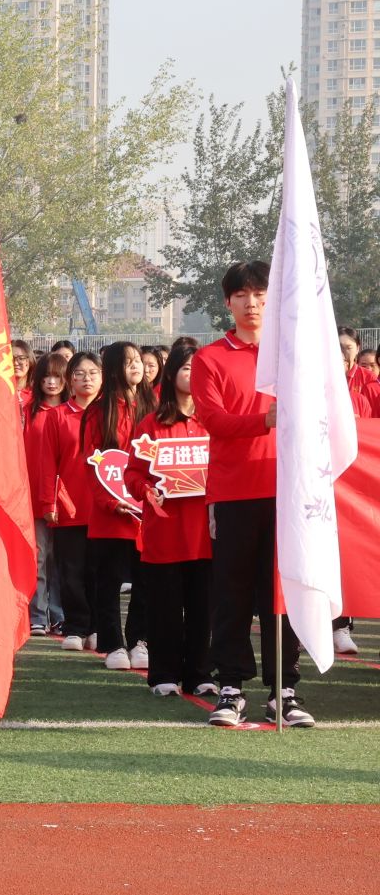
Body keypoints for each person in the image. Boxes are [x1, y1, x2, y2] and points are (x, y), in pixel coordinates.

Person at [190, 261, 311, 727]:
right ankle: (231, 687)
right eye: (241, 295)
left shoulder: (293, 354)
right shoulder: (210, 358)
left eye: (260, 294)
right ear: (228, 302)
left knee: (280, 592)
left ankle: (285, 690)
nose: (252, 303)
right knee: (233, 592)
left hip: (289, 491)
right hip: (235, 492)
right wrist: (264, 420)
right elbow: (213, 420)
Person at [128, 344, 214, 698]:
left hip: (206, 534)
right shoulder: (151, 425)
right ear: (172, 372)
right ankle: (163, 674)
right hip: (164, 532)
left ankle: (199, 674)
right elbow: (132, 475)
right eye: (187, 368)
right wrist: (148, 491)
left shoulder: (212, 422)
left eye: (200, 369)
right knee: (164, 608)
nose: (193, 376)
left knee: (202, 609)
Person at [81, 342, 155, 672]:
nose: (137, 366)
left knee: (146, 579)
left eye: (138, 360)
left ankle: (141, 640)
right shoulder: (98, 412)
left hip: (146, 510)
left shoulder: (153, 406)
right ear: (113, 369)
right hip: (111, 512)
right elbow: (92, 463)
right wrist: (111, 501)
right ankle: (113, 644)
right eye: (128, 362)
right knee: (108, 581)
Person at [32, 350, 100, 652]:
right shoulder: (58, 416)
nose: (87, 379)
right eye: (79, 374)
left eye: (93, 373)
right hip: (69, 505)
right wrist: (49, 502)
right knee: (71, 571)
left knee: (99, 571)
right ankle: (75, 626)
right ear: (69, 380)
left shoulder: (110, 413)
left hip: (105, 506)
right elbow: (47, 463)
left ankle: (97, 626)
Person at [23, 351, 72, 637]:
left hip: (67, 498)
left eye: (57, 377)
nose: (51, 383)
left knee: (63, 560)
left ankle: (60, 614)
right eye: (46, 377)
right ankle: (38, 615)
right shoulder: (27, 411)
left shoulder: (72, 412)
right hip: (33, 495)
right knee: (39, 558)